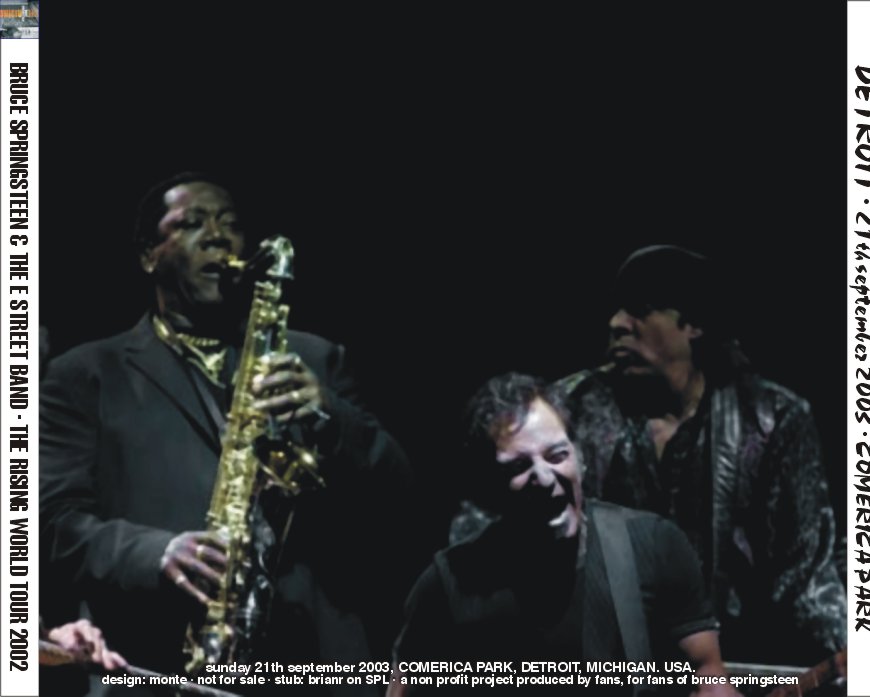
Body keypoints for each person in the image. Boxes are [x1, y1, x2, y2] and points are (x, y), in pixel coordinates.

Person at [40, 173, 411, 696]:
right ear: (148, 255)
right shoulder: (84, 376)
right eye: (192, 223)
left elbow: (399, 496)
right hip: (162, 661)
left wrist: (329, 417)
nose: (218, 236)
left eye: (230, 224)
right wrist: (154, 553)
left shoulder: (316, 359)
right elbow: (52, 522)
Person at [567, 245, 845, 666]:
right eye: (617, 310)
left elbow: (807, 574)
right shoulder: (571, 410)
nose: (617, 324)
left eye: (640, 309)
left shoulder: (772, 418)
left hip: (734, 667)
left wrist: (850, 656)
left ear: (693, 324)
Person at [393, 374, 735, 697]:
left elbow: (708, 679)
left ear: (580, 458)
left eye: (557, 455)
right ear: (488, 487)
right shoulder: (449, 584)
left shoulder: (653, 547)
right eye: (518, 466)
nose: (544, 477)